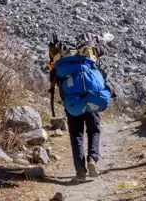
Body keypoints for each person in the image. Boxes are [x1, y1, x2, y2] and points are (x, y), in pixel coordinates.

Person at [49, 33, 114, 182]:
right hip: (91, 98)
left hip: (73, 102)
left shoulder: (63, 63)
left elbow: (56, 81)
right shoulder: (88, 59)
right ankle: (92, 159)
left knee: (76, 135)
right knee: (94, 131)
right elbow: (102, 58)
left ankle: (80, 172)